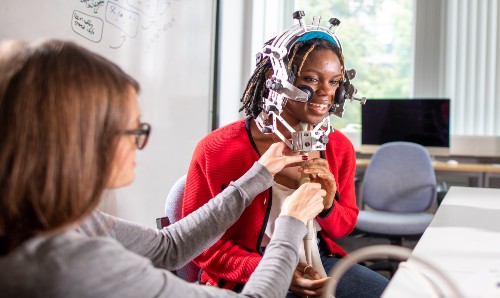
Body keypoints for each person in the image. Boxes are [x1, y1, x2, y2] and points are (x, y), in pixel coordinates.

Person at [0, 39, 329, 298]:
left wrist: (257, 177)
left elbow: (167, 247)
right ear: (79, 144)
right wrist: (291, 222)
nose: (139, 142)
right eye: (132, 130)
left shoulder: (60, 223)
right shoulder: (71, 266)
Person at [182, 21, 389, 298]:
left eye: (334, 82)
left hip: (320, 260)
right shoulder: (218, 148)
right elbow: (201, 246)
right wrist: (272, 269)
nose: (326, 93)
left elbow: (344, 226)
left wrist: (328, 207)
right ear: (273, 77)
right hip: (250, 270)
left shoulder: (338, 146)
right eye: (311, 79)